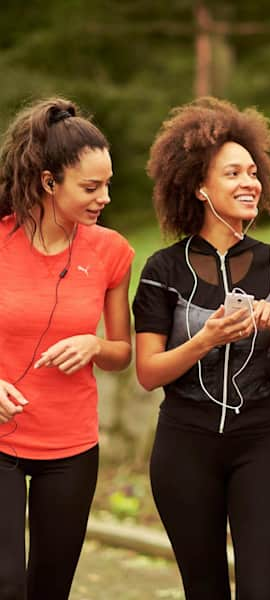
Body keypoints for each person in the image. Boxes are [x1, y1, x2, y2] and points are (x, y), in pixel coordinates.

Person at [132, 96, 270, 600]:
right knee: (204, 590)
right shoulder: (162, 271)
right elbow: (149, 373)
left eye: (253, 172)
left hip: (261, 444)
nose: (249, 182)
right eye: (233, 173)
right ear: (199, 187)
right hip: (184, 448)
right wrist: (205, 338)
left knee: (260, 592)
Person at [0, 97, 134, 600]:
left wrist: (95, 343)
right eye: (91, 187)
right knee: (6, 583)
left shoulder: (111, 251)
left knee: (49, 589)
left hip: (71, 447)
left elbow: (122, 353)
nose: (104, 198)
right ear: (48, 181)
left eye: (108, 185)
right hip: (1, 442)